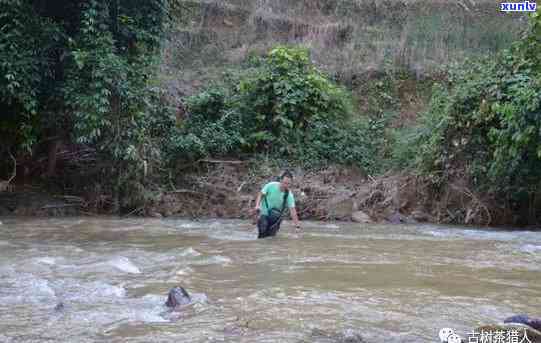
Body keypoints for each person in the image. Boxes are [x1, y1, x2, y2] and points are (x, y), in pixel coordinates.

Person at [254, 170, 301, 238]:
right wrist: (257, 206)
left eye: (288, 183)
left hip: (275, 218)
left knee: (271, 238)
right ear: (280, 180)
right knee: (262, 232)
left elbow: (292, 211)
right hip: (264, 213)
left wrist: (297, 226)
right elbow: (260, 195)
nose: (286, 185)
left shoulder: (289, 194)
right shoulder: (271, 185)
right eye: (284, 183)